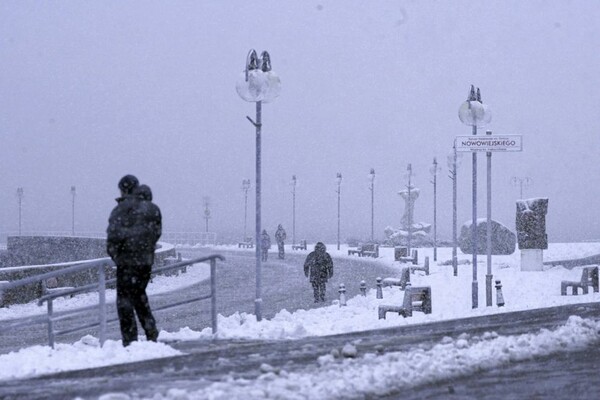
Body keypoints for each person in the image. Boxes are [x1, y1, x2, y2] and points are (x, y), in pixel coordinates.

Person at [106, 175, 162, 347]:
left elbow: (113, 237)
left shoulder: (120, 209)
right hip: (145, 261)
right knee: (139, 295)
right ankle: (150, 329)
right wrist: (145, 251)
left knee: (124, 302)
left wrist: (118, 257)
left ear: (124, 189)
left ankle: (130, 341)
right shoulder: (153, 208)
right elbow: (156, 233)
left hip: (126, 262)